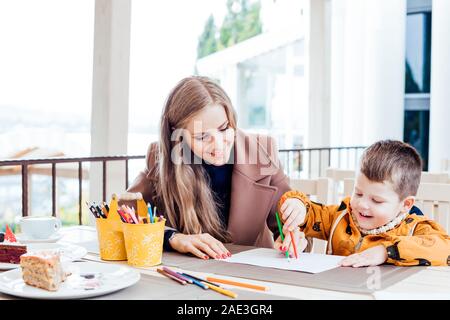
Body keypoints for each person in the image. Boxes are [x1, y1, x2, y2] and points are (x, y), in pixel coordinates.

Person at [127, 76, 307, 260]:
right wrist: (172, 237)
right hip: (191, 275)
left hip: (253, 274)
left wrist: (293, 235)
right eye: (202, 136)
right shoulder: (162, 158)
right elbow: (121, 216)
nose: (219, 144)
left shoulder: (262, 152)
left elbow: (286, 225)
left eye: (224, 128)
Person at [277, 140, 450, 267]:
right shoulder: (341, 216)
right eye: (358, 193)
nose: (362, 204)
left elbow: (445, 248)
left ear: (405, 205)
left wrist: (386, 251)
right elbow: (310, 213)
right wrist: (296, 204)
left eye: (377, 200)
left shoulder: (414, 228)